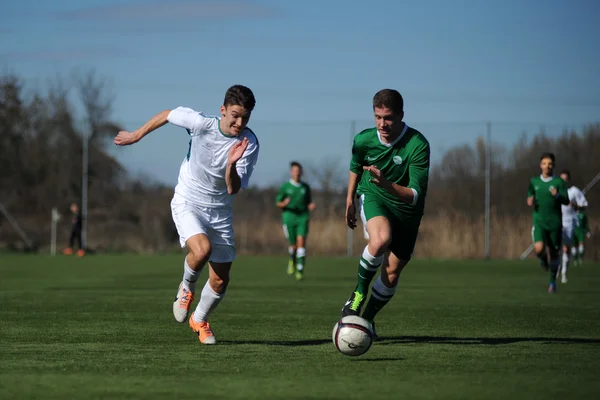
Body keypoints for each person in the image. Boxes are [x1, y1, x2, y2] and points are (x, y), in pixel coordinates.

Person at [114, 85, 259, 345]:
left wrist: (231, 165)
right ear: (223, 110)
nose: (239, 122)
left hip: (220, 211)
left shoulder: (249, 143)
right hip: (188, 200)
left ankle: (200, 319)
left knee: (220, 279)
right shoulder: (201, 123)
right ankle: (186, 287)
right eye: (235, 115)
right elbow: (168, 114)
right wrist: (136, 135)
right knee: (201, 250)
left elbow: (233, 188)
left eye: (245, 117)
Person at [341, 88, 430, 339]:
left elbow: (414, 194)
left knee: (391, 274)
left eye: (388, 117)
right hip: (374, 195)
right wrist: (349, 198)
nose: (382, 124)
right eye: (378, 117)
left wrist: (388, 184)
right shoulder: (363, 140)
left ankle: (366, 322)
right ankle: (358, 293)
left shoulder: (418, 144)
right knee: (380, 239)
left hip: (407, 211)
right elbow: (356, 165)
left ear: (401, 115)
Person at [526, 153, 570, 293]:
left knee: (554, 253)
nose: (547, 166)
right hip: (539, 221)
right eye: (544, 163)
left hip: (555, 223)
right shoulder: (534, 181)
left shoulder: (559, 183)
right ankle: (543, 259)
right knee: (538, 248)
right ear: (540, 165)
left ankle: (552, 283)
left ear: (553, 165)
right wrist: (530, 200)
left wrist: (557, 195)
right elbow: (530, 194)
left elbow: (566, 200)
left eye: (550, 164)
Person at [275, 161, 316, 280]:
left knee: (301, 242)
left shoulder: (305, 187)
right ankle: (292, 259)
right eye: (294, 171)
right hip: (289, 217)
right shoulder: (285, 187)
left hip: (302, 217)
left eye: (299, 171)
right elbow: (278, 203)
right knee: (293, 246)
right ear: (291, 172)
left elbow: (309, 202)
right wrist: (284, 203)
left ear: (301, 172)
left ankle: (300, 269)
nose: (297, 173)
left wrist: (311, 206)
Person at [558, 170, 588, 282]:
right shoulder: (556, 191)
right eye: (561, 179)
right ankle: (557, 268)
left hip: (569, 222)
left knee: (566, 248)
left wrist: (574, 205)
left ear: (568, 180)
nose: (563, 182)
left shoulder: (574, 191)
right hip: (557, 221)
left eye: (565, 179)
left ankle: (564, 272)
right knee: (556, 247)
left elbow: (584, 205)